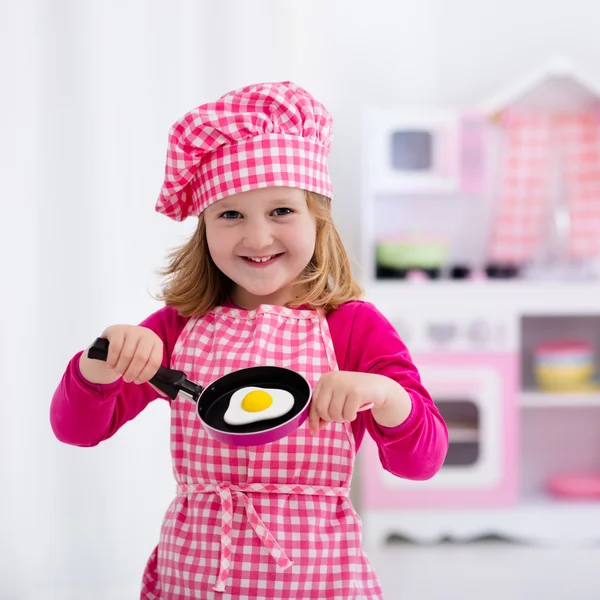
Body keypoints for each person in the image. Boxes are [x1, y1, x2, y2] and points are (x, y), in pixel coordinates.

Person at [50, 81, 448, 599]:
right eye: (230, 214)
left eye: (281, 210)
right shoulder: (177, 327)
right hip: (194, 576)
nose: (257, 237)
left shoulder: (351, 327)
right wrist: (99, 363)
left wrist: (388, 397)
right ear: (205, 228)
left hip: (316, 580)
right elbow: (76, 429)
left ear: (318, 220)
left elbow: (421, 461)